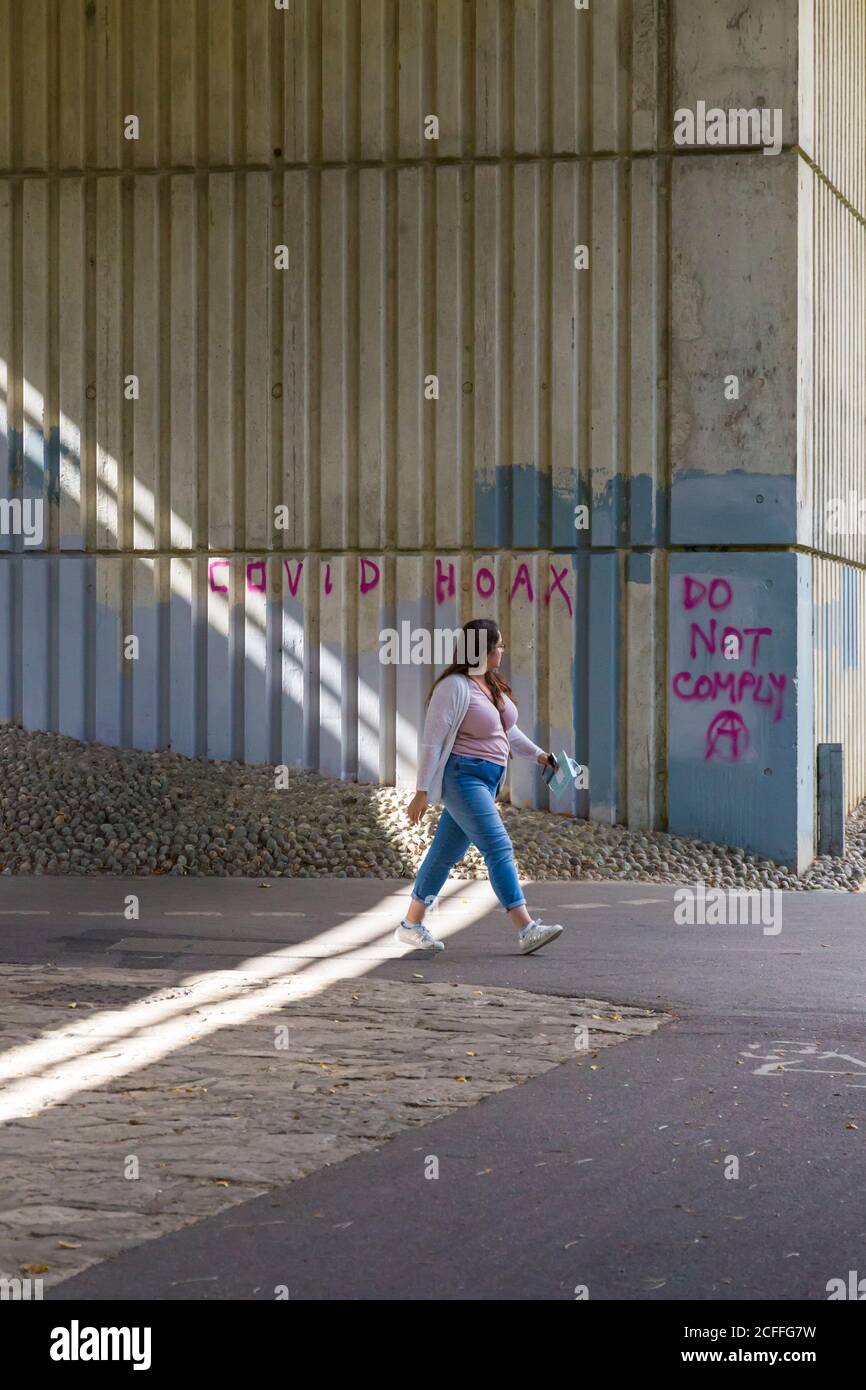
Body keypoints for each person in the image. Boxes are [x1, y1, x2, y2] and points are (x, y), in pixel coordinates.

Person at [396, 618, 565, 956]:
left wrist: (539, 756)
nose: (503, 649)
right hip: (463, 778)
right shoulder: (454, 688)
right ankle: (526, 928)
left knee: (445, 854)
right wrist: (422, 791)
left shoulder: (490, 685)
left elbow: (505, 732)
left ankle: (411, 925)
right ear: (484, 650)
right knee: (498, 847)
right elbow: (432, 742)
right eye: (498, 645)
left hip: (487, 781)